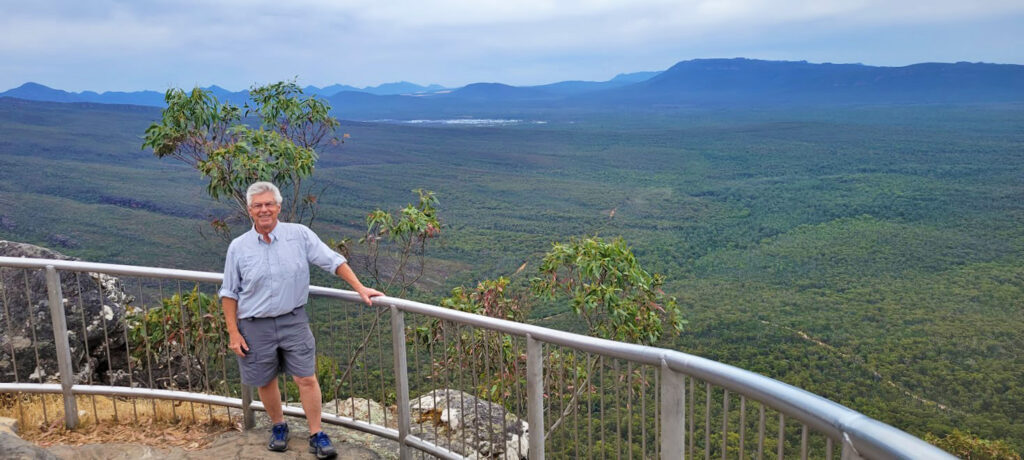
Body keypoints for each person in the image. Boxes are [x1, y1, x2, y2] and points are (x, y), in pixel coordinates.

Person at [219, 181, 383, 459]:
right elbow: (229, 292)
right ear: (249, 211)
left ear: (279, 207)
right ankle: (278, 426)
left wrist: (360, 287)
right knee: (265, 379)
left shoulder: (299, 235)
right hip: (254, 324)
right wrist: (234, 333)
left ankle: (316, 433)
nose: (264, 210)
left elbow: (332, 260)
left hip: (293, 320)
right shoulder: (239, 247)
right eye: (258, 205)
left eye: (269, 204)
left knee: (306, 377)